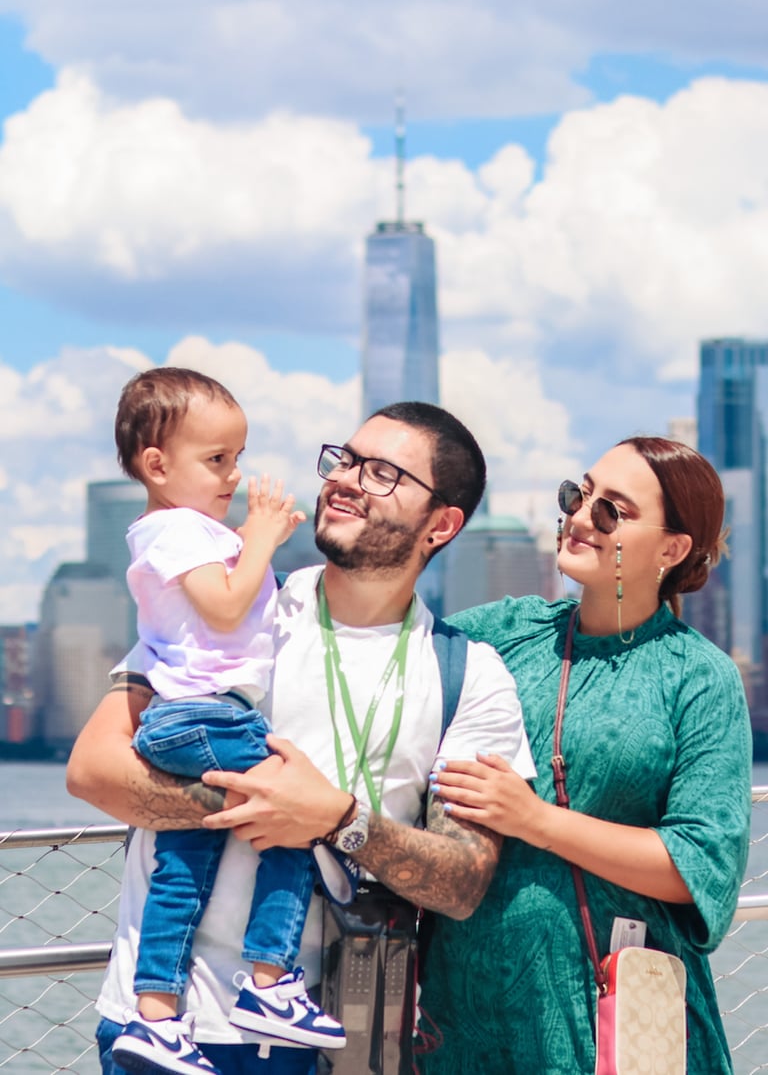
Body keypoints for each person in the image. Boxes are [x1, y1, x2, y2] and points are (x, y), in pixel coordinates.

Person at [67, 400, 537, 1075]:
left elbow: (461, 882)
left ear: (442, 524)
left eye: (381, 473)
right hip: (165, 1034)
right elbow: (92, 771)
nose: (344, 478)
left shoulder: (470, 674)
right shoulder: (229, 610)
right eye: (344, 459)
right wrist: (265, 807)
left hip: (336, 1041)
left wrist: (339, 820)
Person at [419, 436, 753, 1074]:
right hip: (462, 1017)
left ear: (673, 549)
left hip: (614, 1028)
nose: (579, 516)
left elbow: (699, 865)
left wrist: (534, 820)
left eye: (611, 511)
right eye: (578, 494)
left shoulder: (699, 676)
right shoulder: (502, 632)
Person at [106, 367, 345, 1075]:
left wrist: (248, 540)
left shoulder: (175, 531)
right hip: (209, 716)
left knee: (182, 870)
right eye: (216, 459)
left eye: (236, 457)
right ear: (157, 465)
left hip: (180, 721)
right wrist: (261, 537)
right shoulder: (179, 530)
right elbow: (226, 605)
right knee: (296, 820)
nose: (233, 475)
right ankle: (270, 980)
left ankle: (156, 1016)